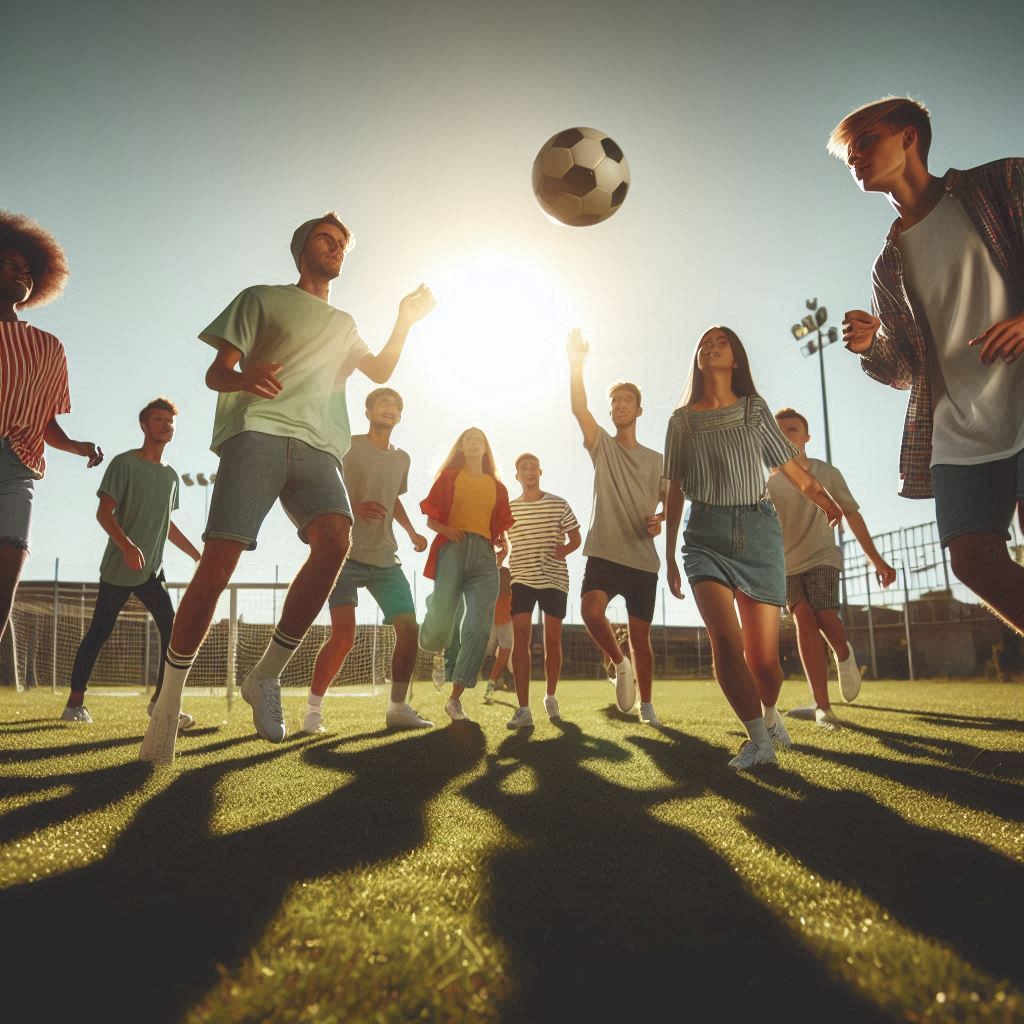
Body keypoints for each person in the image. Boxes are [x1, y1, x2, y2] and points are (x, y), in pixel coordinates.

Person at [140, 212, 435, 764]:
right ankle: (168, 705)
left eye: (343, 244)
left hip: (320, 447)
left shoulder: (345, 323)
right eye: (327, 240)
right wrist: (244, 377)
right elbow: (217, 372)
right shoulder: (261, 298)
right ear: (302, 250)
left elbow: (379, 368)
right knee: (220, 559)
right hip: (258, 432)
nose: (336, 249)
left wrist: (405, 320)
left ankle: (266, 676)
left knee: (335, 539)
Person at [830, 97, 1024, 635]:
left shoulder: (1001, 183)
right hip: (958, 428)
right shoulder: (888, 263)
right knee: (971, 561)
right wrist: (872, 346)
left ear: (909, 137)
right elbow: (905, 371)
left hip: (1021, 399)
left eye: (865, 140)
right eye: (848, 153)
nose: (855, 157)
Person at [663, 326, 844, 770]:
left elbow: (791, 467)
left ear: (736, 358)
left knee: (764, 663)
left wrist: (823, 498)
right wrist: (668, 554)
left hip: (759, 533)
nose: (710, 346)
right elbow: (673, 491)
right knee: (724, 641)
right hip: (704, 535)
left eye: (720, 342)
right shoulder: (681, 421)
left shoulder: (754, 410)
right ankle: (759, 741)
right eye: (703, 342)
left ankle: (769, 711)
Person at [61, 398, 201, 724]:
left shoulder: (171, 477)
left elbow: (168, 525)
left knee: (173, 629)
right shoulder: (123, 464)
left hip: (151, 571)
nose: (165, 425)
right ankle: (74, 705)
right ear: (144, 425)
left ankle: (161, 704)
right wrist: (126, 546)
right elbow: (103, 512)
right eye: (158, 419)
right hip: (119, 569)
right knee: (99, 632)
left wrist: (197, 554)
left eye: (170, 420)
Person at [304, 387, 432, 733]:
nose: (389, 409)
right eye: (383, 403)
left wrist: (411, 532)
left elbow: (395, 499)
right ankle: (313, 711)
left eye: (395, 405)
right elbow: (327, 484)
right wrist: (353, 507)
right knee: (344, 636)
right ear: (369, 411)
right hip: (344, 554)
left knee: (409, 628)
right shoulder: (349, 445)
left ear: (399, 416)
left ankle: (398, 708)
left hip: (385, 558)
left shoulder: (402, 457)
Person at [0, 211, 103, 643]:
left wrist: (78, 446)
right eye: (11, 262)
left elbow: (45, 421)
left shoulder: (47, 347)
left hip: (16, 468)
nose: (22, 270)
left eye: (28, 267)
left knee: (6, 573)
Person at [768, 408, 896, 727]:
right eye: (779, 431)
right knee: (803, 619)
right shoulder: (769, 482)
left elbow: (851, 514)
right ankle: (822, 707)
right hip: (786, 565)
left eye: (793, 429)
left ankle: (843, 652)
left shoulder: (827, 473)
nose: (786, 435)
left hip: (823, 555)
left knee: (825, 615)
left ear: (807, 437)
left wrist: (876, 559)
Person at [567, 328, 664, 725]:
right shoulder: (602, 446)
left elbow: (674, 499)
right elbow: (577, 408)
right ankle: (618, 663)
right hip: (605, 550)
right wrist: (576, 364)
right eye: (616, 401)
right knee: (591, 611)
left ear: (639, 410)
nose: (621, 405)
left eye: (628, 400)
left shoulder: (657, 460)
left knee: (642, 638)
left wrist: (661, 519)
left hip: (642, 557)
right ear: (610, 411)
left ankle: (647, 706)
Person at [418, 428, 513, 723]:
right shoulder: (449, 478)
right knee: (444, 619)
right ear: (461, 446)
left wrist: (503, 547)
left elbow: (500, 529)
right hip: (453, 549)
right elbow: (431, 518)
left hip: (485, 556)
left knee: (478, 625)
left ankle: (455, 698)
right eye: (468, 440)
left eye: (479, 440)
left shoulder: (496, 487)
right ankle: (436, 612)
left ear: (486, 448)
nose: (473, 444)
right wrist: (445, 530)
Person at [505, 452, 581, 726]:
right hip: (522, 577)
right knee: (521, 637)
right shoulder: (509, 508)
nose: (529, 472)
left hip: (554, 578)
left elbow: (576, 538)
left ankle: (550, 696)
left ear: (540, 471)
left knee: (552, 641)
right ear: (517, 476)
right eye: (524, 468)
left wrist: (564, 550)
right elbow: (499, 539)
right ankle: (523, 708)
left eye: (533, 468)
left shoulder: (558, 504)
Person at [483, 561, 514, 704]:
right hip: (491, 619)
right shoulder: (486, 572)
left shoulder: (508, 573)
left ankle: (495, 683)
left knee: (505, 652)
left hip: (506, 619)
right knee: (487, 653)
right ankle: (498, 681)